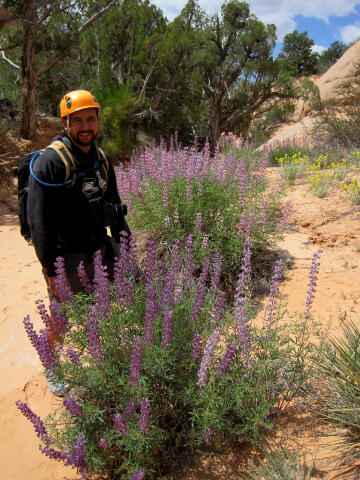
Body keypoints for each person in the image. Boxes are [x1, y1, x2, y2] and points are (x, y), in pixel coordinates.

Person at [27, 90, 130, 395]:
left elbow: (115, 205)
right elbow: (39, 225)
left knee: (105, 304)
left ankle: (104, 360)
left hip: (98, 246)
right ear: (65, 123)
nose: (85, 126)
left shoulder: (101, 159)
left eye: (90, 119)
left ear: (98, 121)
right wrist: (51, 272)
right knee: (61, 318)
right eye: (78, 121)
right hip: (66, 255)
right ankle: (52, 366)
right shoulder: (51, 163)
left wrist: (124, 246)